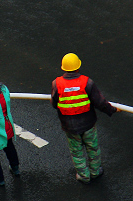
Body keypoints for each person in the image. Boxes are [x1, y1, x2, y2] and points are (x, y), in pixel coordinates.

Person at [51, 53, 119, 184]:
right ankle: (95, 171)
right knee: (92, 148)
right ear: (78, 67)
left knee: (76, 152)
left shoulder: (56, 84)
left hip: (69, 126)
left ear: (63, 68)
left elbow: (55, 104)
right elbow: (100, 103)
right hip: (88, 124)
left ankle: (83, 175)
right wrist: (112, 110)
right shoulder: (87, 82)